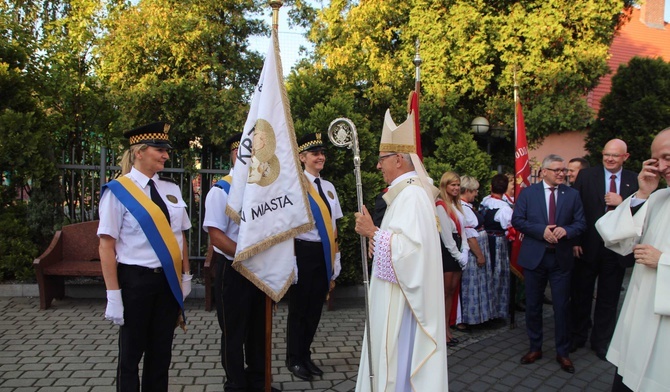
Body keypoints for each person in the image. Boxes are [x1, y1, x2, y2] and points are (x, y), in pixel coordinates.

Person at [354, 109, 448, 391]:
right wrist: (378, 238)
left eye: (382, 160)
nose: (378, 166)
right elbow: (401, 243)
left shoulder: (413, 195)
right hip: (398, 293)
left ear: (398, 159)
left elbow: (412, 255)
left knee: (398, 360)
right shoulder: (407, 193)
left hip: (405, 303)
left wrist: (373, 233)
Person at [98, 121, 192, 391]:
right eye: (159, 149)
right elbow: (106, 245)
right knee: (131, 354)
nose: (166, 155)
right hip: (135, 281)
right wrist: (113, 294)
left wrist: (186, 275)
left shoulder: (170, 189)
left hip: (167, 281)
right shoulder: (118, 192)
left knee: (161, 352)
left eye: (166, 150)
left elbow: (180, 236)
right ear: (139, 152)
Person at [595, 127, 670, 392]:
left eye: (667, 158)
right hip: (639, 321)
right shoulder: (659, 197)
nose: (661, 167)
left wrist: (663, 261)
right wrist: (641, 194)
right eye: (656, 160)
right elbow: (615, 237)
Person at [203, 133, 278, 392]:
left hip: (260, 268)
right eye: (246, 153)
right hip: (233, 269)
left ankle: (259, 380)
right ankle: (235, 383)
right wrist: (246, 254)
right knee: (234, 330)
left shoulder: (262, 189)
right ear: (235, 155)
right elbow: (216, 236)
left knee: (259, 327)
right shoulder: (220, 190)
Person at [512, 154, 585, 374]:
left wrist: (568, 231)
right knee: (533, 305)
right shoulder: (528, 193)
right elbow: (518, 220)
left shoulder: (572, 195)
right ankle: (535, 347)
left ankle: (563, 353)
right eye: (557, 170)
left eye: (564, 170)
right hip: (535, 257)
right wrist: (541, 231)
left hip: (560, 258)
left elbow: (581, 222)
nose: (562, 173)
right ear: (544, 172)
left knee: (561, 307)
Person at [570, 139, 638, 359]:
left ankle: (601, 342)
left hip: (616, 249)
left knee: (608, 298)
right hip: (588, 246)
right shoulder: (587, 176)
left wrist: (624, 202)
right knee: (582, 294)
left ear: (625, 158)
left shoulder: (633, 180)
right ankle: (578, 336)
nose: (609, 158)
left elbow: (642, 214)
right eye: (606, 154)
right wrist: (576, 240)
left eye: (615, 156)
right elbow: (576, 209)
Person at [286, 132, 343, 381]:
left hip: (323, 253)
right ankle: (294, 358)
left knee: (314, 310)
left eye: (322, 153)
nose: (320, 157)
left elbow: (333, 225)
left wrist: (336, 257)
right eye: (314, 153)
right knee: (299, 310)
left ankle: (306, 355)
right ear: (302, 157)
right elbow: (286, 227)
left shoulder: (328, 188)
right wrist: (291, 261)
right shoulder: (294, 186)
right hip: (302, 252)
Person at [436, 171, 469, 346]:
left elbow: (463, 230)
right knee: (444, 292)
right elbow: (446, 237)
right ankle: (442, 332)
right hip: (448, 251)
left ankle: (447, 328)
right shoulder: (440, 206)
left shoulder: (457, 205)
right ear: (444, 186)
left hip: (458, 248)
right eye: (452, 185)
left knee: (451, 292)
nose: (456, 188)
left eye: (458, 185)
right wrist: (458, 255)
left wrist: (465, 250)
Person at [457, 175, 493, 328]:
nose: (476, 194)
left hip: (476, 249)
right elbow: (470, 237)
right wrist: (479, 255)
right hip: (473, 253)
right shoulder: (464, 209)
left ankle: (476, 317)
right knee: (471, 285)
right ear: (467, 191)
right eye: (474, 191)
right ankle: (469, 318)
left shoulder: (465, 207)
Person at [480, 173, 514, 319]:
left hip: (484, 240)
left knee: (488, 273)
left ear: (491, 186)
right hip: (497, 242)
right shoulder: (505, 208)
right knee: (498, 274)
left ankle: (488, 309)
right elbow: (509, 228)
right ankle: (496, 310)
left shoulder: (484, 201)